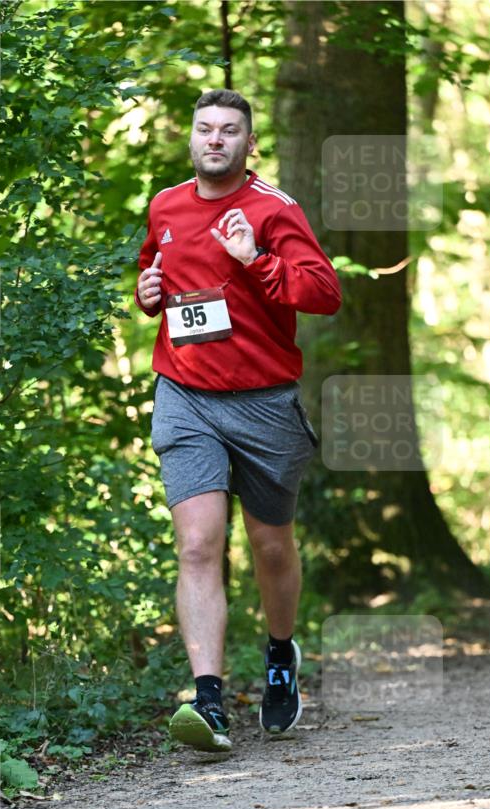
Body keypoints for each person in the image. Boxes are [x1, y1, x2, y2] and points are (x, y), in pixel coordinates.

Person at [134, 89, 341, 753]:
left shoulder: (273, 209)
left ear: (249, 144)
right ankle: (209, 700)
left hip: (263, 400)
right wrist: (146, 293)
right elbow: (154, 272)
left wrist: (256, 258)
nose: (215, 139)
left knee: (269, 545)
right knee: (198, 544)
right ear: (191, 138)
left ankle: (280, 655)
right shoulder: (165, 206)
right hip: (185, 393)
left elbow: (324, 293)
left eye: (229, 131)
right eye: (205, 129)